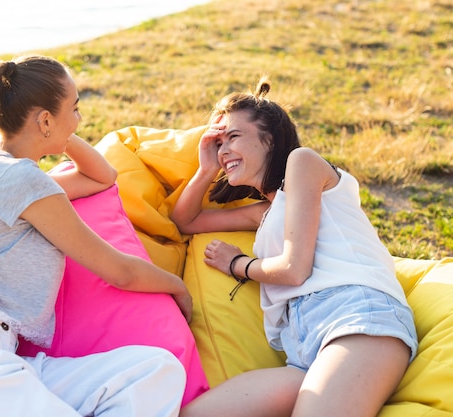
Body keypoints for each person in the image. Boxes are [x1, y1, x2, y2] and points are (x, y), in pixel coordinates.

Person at [0, 55, 193, 417]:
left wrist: (58, 133)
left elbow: (102, 176)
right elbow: (119, 271)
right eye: (76, 109)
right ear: (45, 119)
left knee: (153, 371)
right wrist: (177, 285)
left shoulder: (9, 177)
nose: (80, 119)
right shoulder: (18, 180)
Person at [173, 77, 418, 417]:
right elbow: (184, 221)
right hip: (301, 350)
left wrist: (237, 264)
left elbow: (294, 268)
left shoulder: (304, 163)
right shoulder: (266, 212)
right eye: (219, 142)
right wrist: (205, 169)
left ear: (269, 140)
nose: (223, 149)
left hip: (356, 318)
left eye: (233, 137)